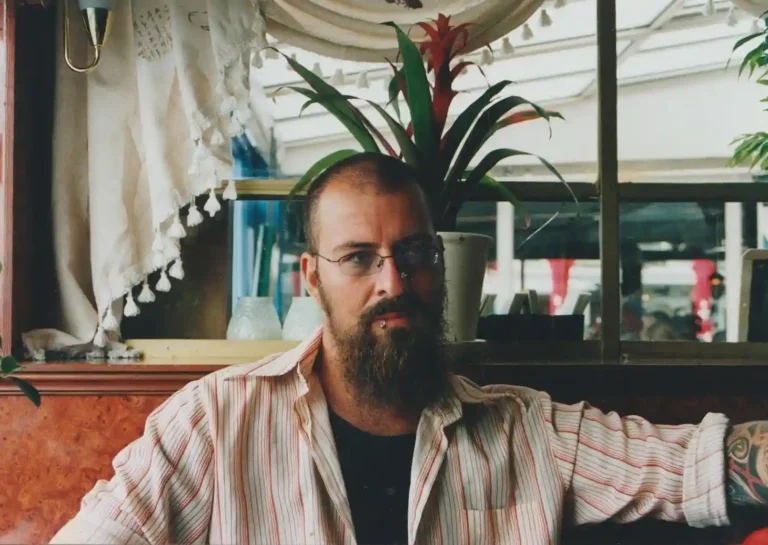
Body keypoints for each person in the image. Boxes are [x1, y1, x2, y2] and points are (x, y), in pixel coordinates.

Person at [51, 152, 767, 545]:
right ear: (311, 278)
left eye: (415, 253)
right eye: (359, 258)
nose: (394, 283)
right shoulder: (214, 423)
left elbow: (694, 465)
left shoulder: (526, 431)